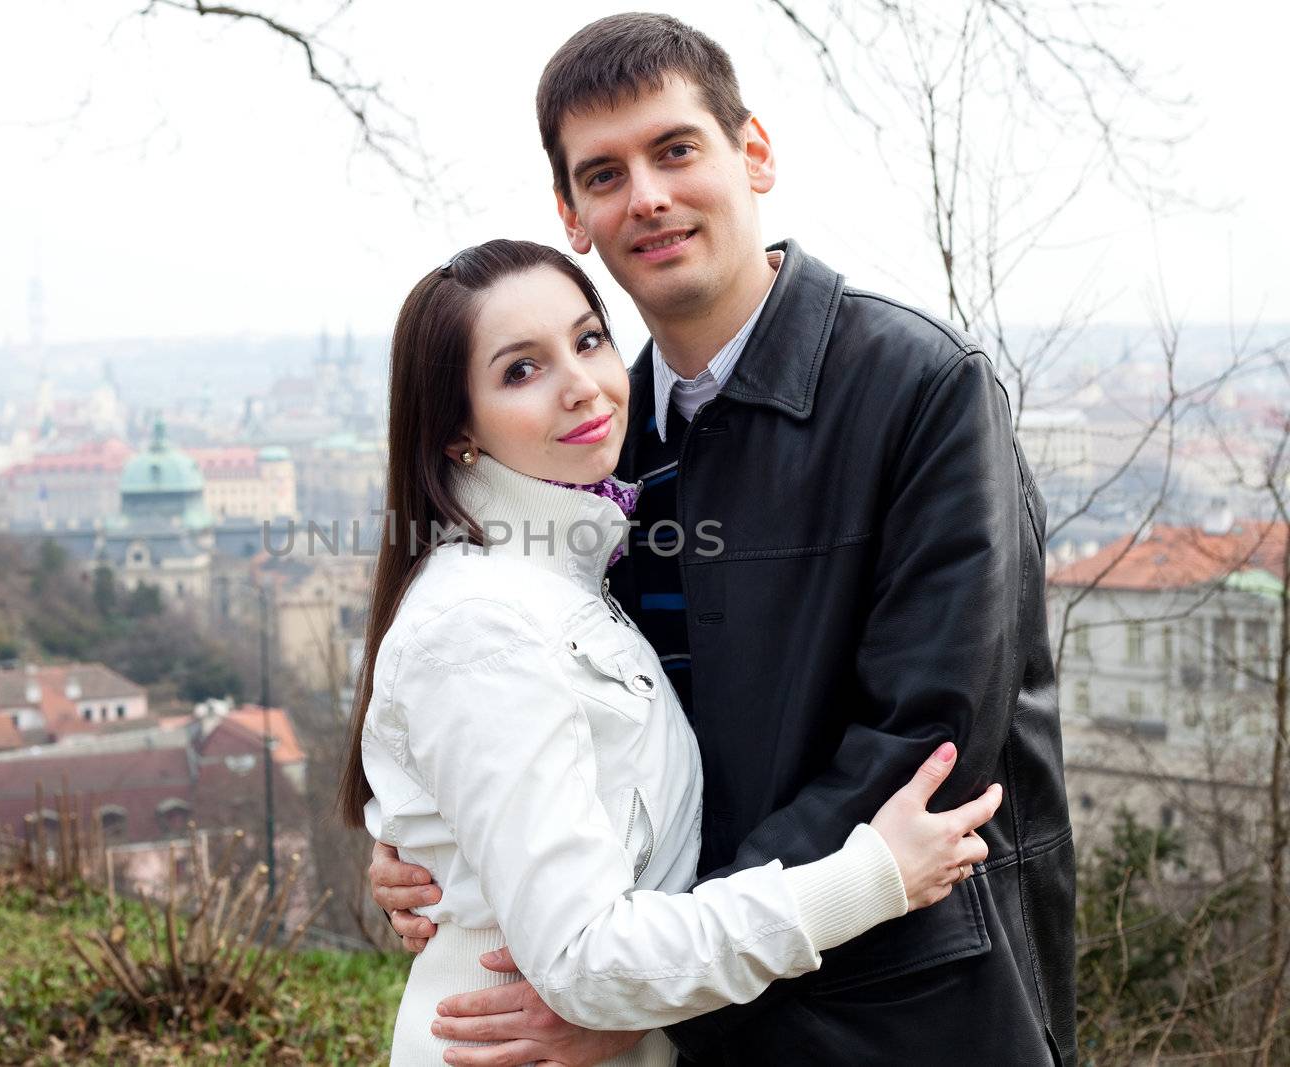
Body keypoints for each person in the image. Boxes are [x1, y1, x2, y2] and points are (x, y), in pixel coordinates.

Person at [370, 14, 1076, 1067]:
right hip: (711, 999)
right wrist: (442, 849)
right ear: (572, 215)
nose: (645, 195)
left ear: (752, 153)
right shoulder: (603, 443)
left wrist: (633, 983)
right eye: (603, 173)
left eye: (674, 149)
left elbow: (924, 746)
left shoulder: (919, 389)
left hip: (898, 1005)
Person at [340, 238, 1002, 1066]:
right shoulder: (484, 624)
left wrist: (451, 835)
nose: (582, 384)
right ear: (456, 432)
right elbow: (587, 958)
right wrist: (867, 880)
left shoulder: (568, 574)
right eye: (520, 370)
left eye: (587, 340)